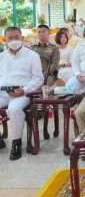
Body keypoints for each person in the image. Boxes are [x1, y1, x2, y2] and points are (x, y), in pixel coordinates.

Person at [0, 27, 44, 160]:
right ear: (5, 40)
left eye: (17, 37)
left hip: (22, 92)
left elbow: (38, 78)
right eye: (10, 38)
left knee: (14, 109)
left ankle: (16, 143)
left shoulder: (32, 55)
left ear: (22, 38)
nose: (14, 40)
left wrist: (24, 90)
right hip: (3, 91)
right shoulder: (1, 56)